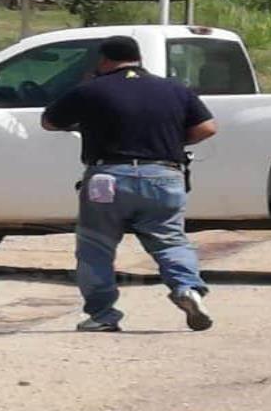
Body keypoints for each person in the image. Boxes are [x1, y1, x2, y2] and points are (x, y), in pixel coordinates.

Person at [41, 36, 219, 332]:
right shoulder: (174, 88)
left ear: (104, 60)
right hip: (164, 175)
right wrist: (171, 141)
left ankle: (102, 315)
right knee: (171, 241)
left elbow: (49, 122)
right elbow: (207, 128)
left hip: (107, 177)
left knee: (96, 247)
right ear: (138, 58)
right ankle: (187, 289)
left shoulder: (91, 89)